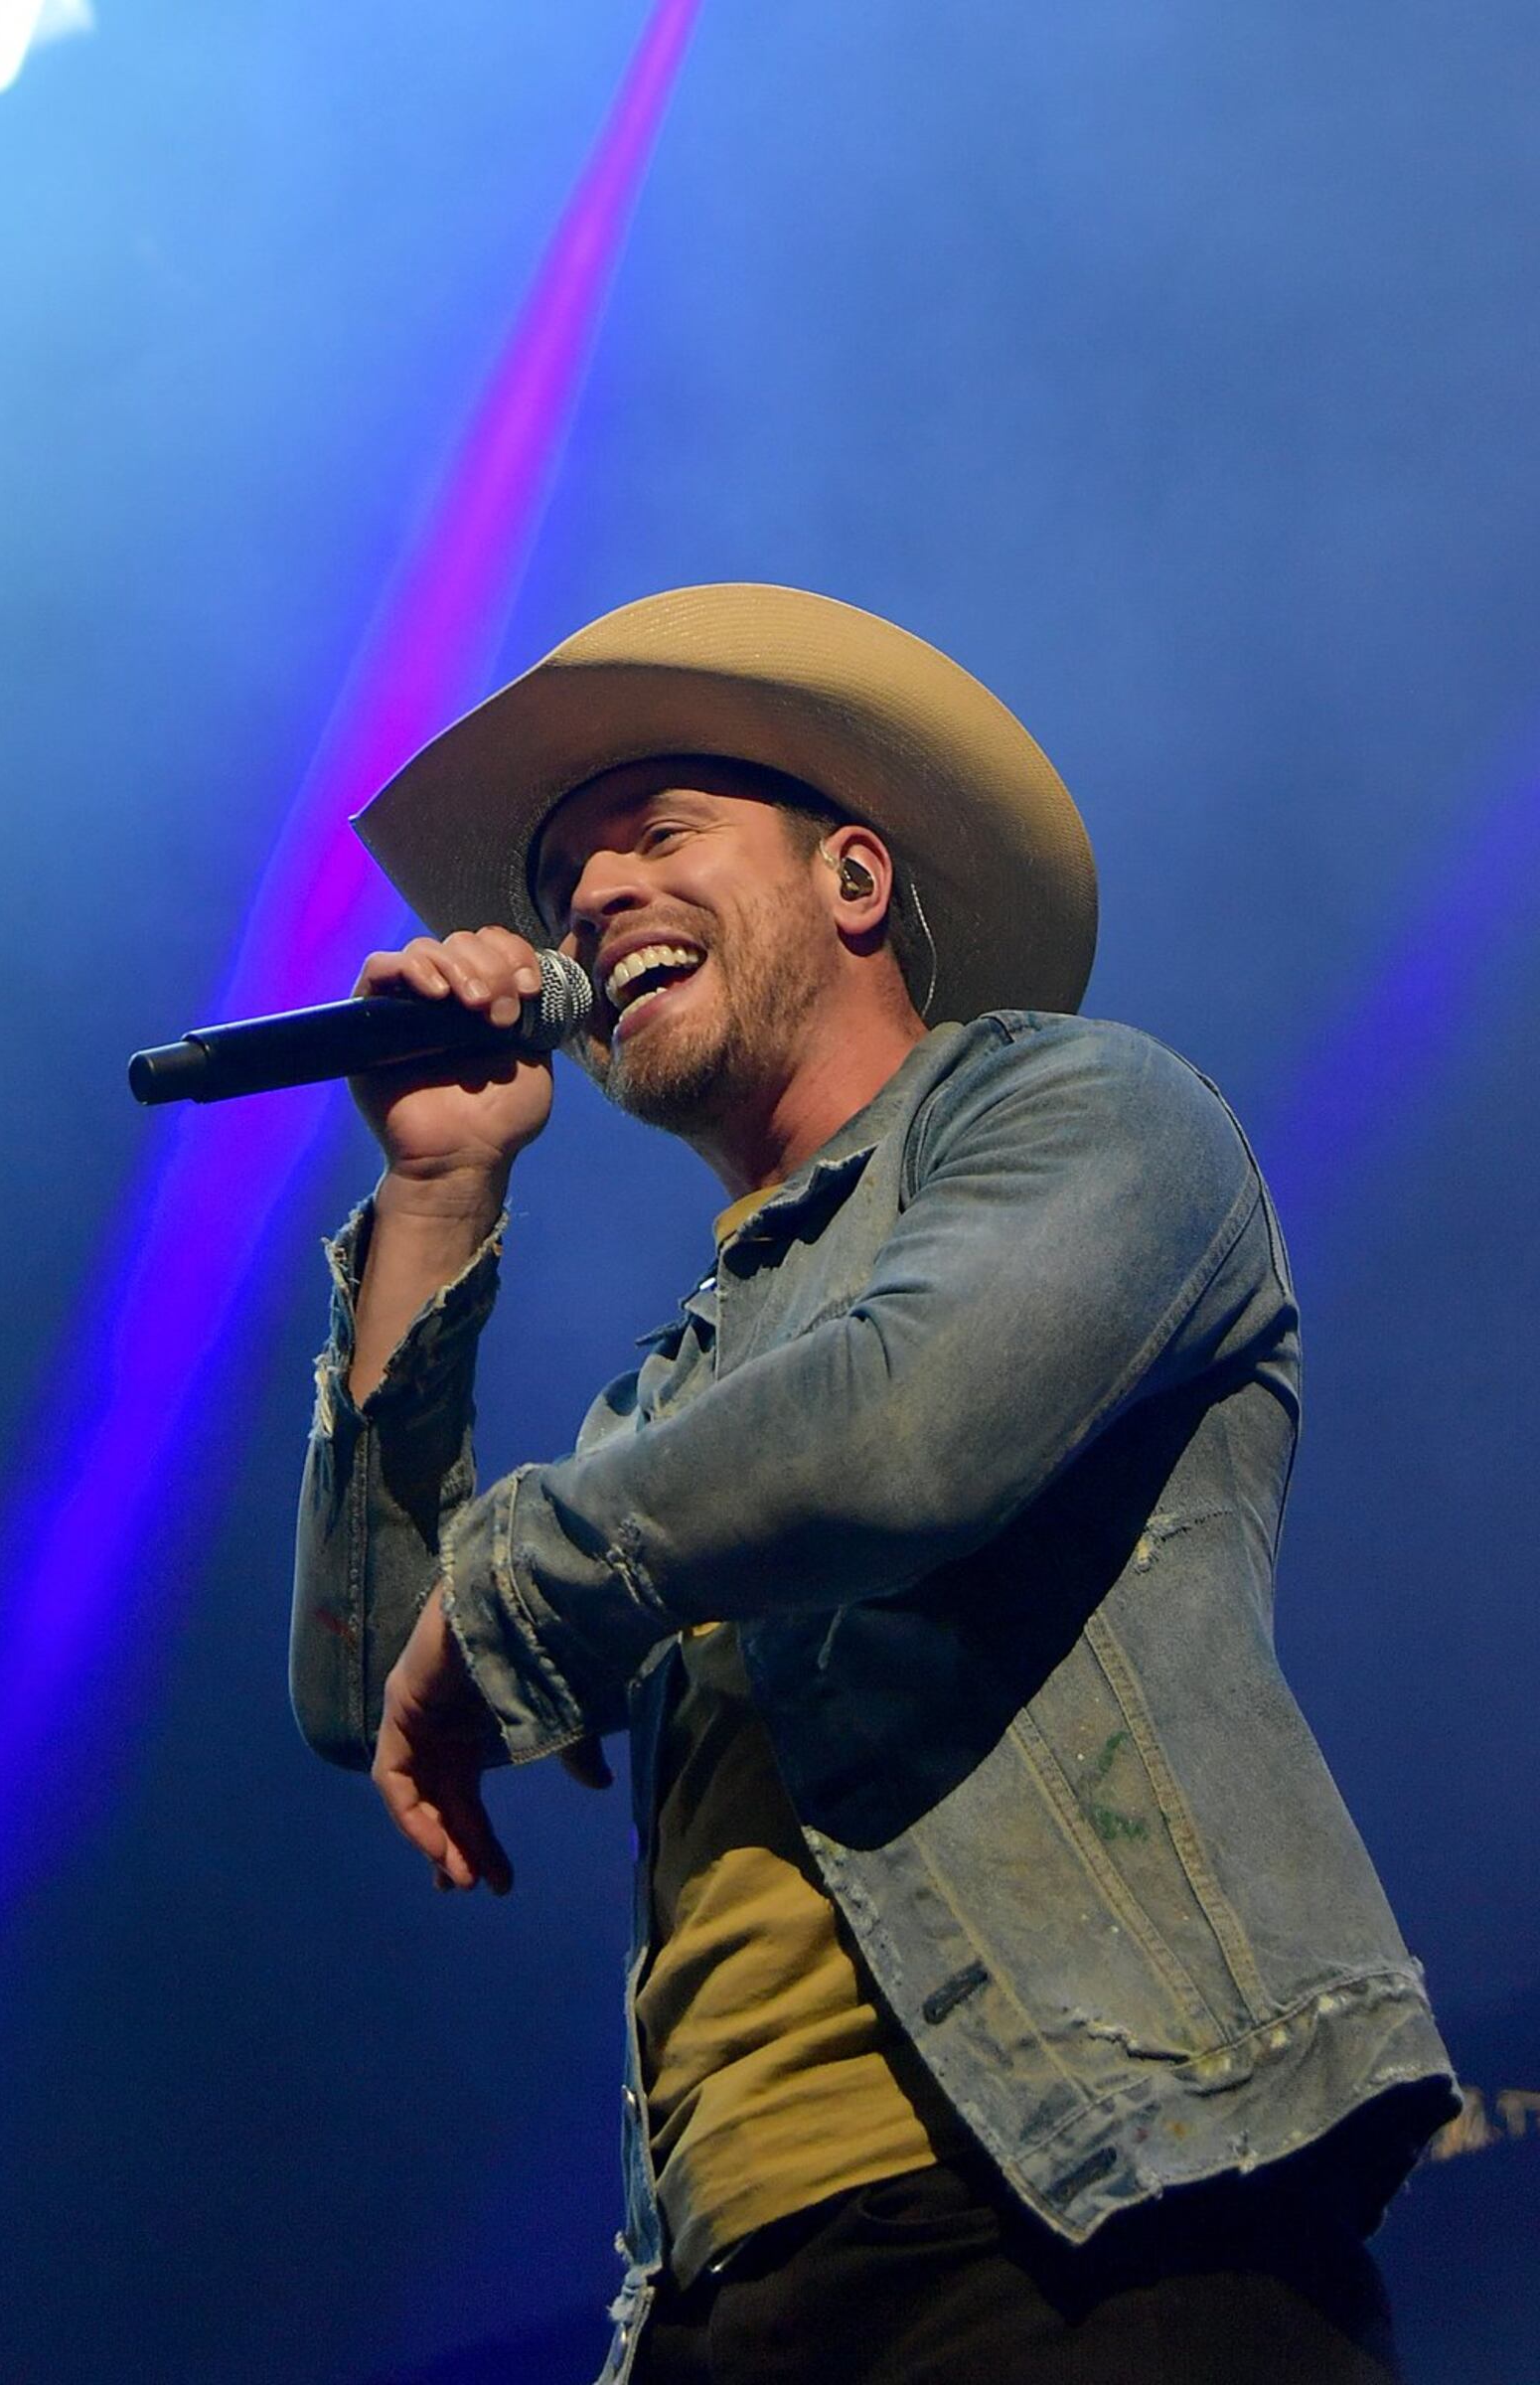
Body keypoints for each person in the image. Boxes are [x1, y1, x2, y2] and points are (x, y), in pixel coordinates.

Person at [290, 584, 1458, 2384]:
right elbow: (375, 1678)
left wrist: (525, 1578)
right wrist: (438, 1197)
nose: (590, 903)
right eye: (561, 887)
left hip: (1095, 2220)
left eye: (656, 836)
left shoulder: (1097, 1111)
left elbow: (907, 1425)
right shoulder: (677, 1407)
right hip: (720, 2296)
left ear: (853, 882)